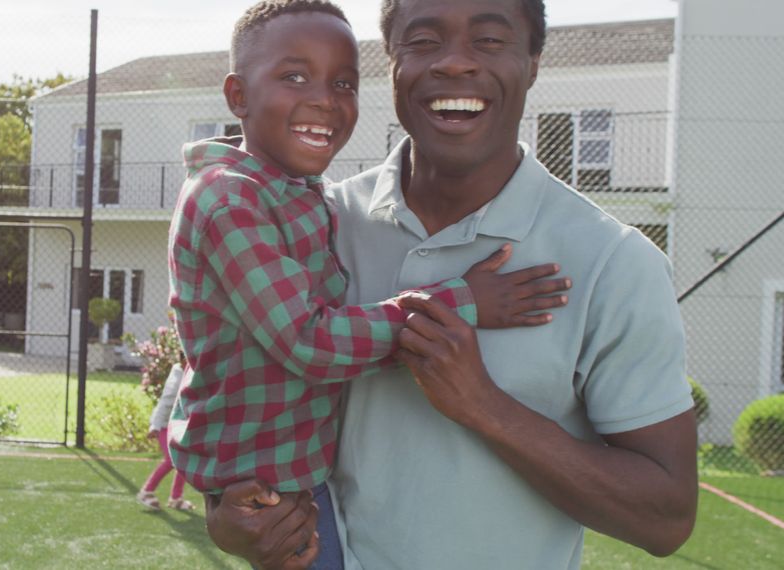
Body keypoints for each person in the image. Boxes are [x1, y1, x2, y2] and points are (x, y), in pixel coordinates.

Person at [203, 0, 699, 568]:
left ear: (533, 62)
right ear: (391, 62)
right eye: (423, 41)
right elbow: (225, 382)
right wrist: (228, 512)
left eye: (489, 40)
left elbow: (667, 518)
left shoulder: (612, 260)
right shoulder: (313, 223)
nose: (455, 64)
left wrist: (483, 406)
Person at [168, 1, 570, 568]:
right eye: (294, 76)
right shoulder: (229, 198)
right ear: (238, 96)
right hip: (275, 494)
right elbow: (305, 340)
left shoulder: (303, 194)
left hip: (307, 478)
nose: (324, 99)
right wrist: (462, 301)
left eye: (343, 82)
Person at [135, 354, 194, 511]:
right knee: (172, 460)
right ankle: (146, 491)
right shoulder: (178, 374)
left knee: (184, 459)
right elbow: (166, 401)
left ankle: (176, 498)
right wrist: (154, 426)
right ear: (183, 358)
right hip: (164, 425)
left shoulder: (194, 370)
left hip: (181, 423)